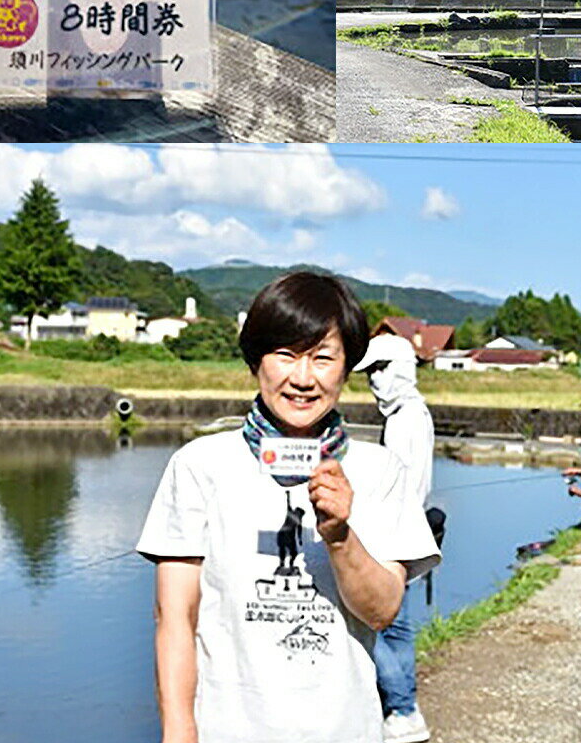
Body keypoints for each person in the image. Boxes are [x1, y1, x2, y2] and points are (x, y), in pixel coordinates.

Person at [136, 271, 440, 743]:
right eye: (285, 354)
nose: (302, 378)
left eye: (323, 358)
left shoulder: (380, 470)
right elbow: (175, 617)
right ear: (256, 359)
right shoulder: (199, 465)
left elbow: (381, 611)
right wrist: (179, 732)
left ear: (345, 367)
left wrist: (341, 536)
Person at [354, 333, 435, 743]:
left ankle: (401, 708)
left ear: (402, 369)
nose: (375, 380)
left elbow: (399, 483)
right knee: (398, 627)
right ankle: (406, 710)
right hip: (409, 528)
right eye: (370, 371)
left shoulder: (406, 418)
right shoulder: (412, 412)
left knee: (374, 625)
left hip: (391, 533)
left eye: (381, 370)